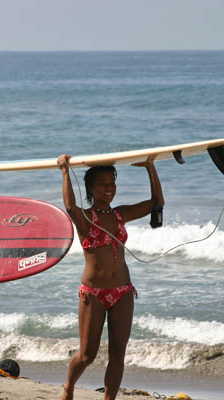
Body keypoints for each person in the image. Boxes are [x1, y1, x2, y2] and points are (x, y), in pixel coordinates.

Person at [57, 155, 164, 400]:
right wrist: (65, 170)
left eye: (111, 183)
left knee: (118, 353)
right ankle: (69, 388)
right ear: (91, 189)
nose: (108, 188)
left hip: (123, 291)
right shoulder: (85, 218)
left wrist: (150, 167)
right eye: (102, 184)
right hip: (93, 293)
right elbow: (70, 206)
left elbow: (157, 202)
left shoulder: (120, 214)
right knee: (87, 355)